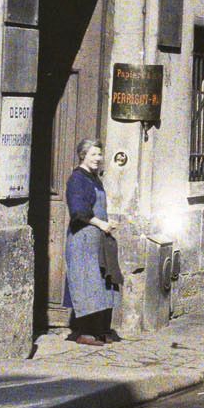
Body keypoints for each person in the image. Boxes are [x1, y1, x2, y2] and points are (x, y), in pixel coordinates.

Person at [63, 138, 119, 345]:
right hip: (83, 238)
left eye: (100, 154)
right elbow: (79, 211)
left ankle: (100, 330)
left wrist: (106, 222)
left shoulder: (94, 178)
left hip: (97, 238)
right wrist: (101, 224)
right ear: (83, 155)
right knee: (86, 283)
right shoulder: (77, 179)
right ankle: (85, 332)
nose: (98, 158)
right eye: (94, 154)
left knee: (102, 283)